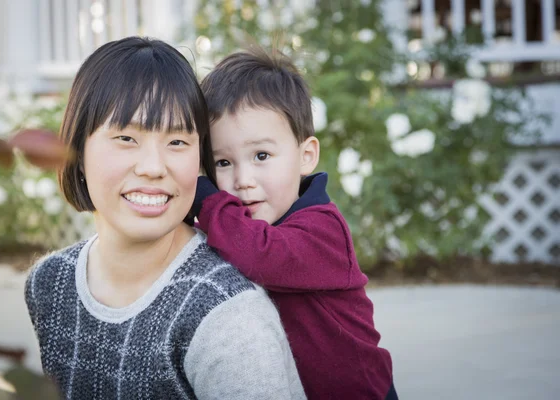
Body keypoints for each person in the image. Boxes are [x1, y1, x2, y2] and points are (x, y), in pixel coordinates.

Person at [24, 37, 306, 400]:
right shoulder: (49, 283)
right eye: (126, 137)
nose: (154, 168)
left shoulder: (228, 317)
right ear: (76, 151)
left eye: (177, 142)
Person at [193, 47, 398, 400]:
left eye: (261, 156)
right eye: (223, 163)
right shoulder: (239, 227)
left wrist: (205, 198)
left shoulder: (323, 230)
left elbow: (258, 255)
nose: (242, 179)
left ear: (306, 156)